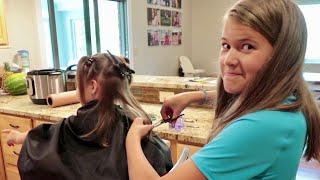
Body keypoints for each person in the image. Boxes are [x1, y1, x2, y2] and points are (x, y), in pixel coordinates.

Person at [125, 0, 320, 179]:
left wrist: (132, 139)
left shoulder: (260, 127)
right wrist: (192, 97)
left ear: (282, 56)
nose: (228, 60)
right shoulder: (287, 101)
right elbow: (250, 97)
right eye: (226, 45)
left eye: (247, 46)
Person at [2, 52, 173, 180]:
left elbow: (44, 136)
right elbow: (161, 161)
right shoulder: (136, 124)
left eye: (79, 86)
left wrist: (17, 137)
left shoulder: (77, 124)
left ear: (92, 86)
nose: (78, 91)